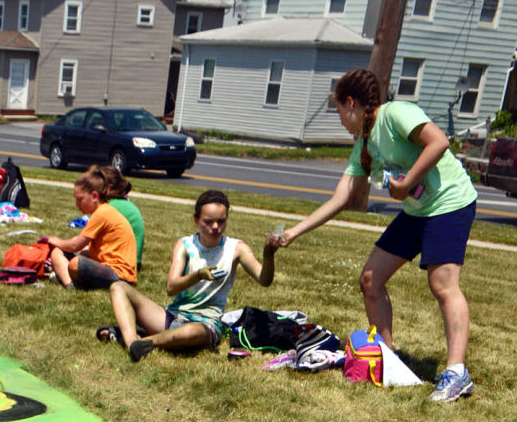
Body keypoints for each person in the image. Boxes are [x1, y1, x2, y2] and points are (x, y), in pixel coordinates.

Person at [267, 66, 477, 403]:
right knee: (370, 278)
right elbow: (341, 196)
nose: (340, 120)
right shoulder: (364, 145)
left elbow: (439, 142)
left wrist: (406, 183)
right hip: (416, 212)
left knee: (443, 285)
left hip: (450, 204)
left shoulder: (396, 114)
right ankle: (387, 354)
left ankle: (456, 372)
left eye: (338, 111)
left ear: (351, 102)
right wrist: (294, 231)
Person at [97, 188, 275, 361]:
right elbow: (171, 288)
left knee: (190, 332)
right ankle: (131, 343)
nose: (215, 227)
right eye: (208, 222)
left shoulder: (237, 248)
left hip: (206, 324)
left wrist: (268, 255)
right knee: (118, 287)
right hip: (172, 316)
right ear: (196, 220)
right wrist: (198, 275)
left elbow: (264, 280)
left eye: (221, 221)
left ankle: (144, 341)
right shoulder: (185, 245)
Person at [46, 173, 138, 294]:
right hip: (111, 268)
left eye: (80, 199)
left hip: (120, 275)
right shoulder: (104, 211)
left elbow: (75, 245)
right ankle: (71, 283)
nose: (77, 205)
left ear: (94, 196)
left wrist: (56, 241)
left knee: (75, 264)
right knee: (58, 252)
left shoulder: (101, 213)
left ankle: (71, 285)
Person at [92, 164, 144, 269]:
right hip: (134, 261)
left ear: (108, 187)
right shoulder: (123, 204)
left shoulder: (111, 207)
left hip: (121, 263)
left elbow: (89, 239)